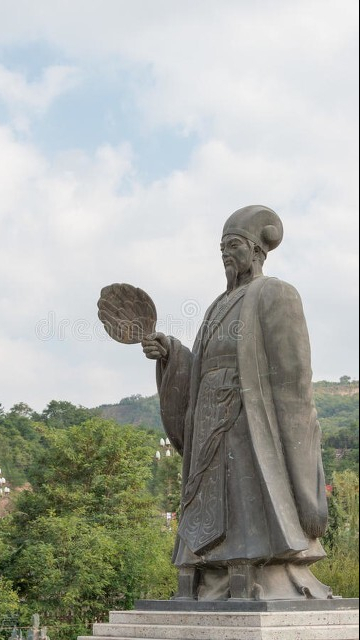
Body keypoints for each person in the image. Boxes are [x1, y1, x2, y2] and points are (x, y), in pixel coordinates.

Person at [142, 205, 331, 601]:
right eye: (221, 247)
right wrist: (171, 354)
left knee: (244, 496)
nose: (226, 254)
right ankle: (207, 571)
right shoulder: (216, 306)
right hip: (208, 420)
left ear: (257, 250)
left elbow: (293, 376)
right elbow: (202, 368)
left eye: (233, 245)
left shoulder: (275, 293)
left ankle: (254, 567)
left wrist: (293, 433)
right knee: (207, 495)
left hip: (248, 420)